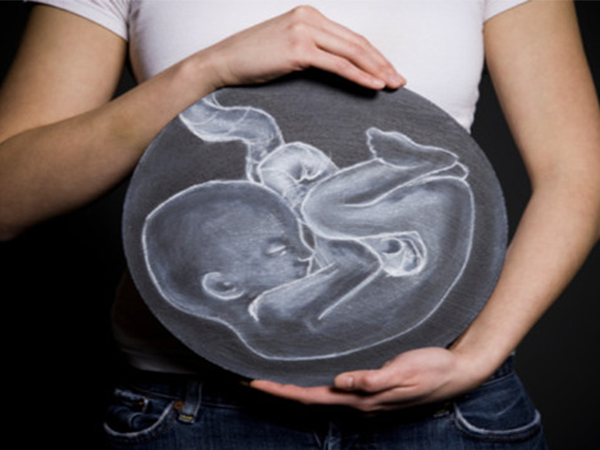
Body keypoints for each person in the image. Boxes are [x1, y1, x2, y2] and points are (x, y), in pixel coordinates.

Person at [0, 1, 598, 449]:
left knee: (315, 209)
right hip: (194, 411)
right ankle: (408, 169)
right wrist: (205, 71)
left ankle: (408, 171)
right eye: (278, 247)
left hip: (443, 403)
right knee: (318, 211)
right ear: (222, 285)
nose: (301, 252)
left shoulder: (274, 293)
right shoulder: (273, 313)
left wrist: (478, 357)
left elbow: (581, 172)